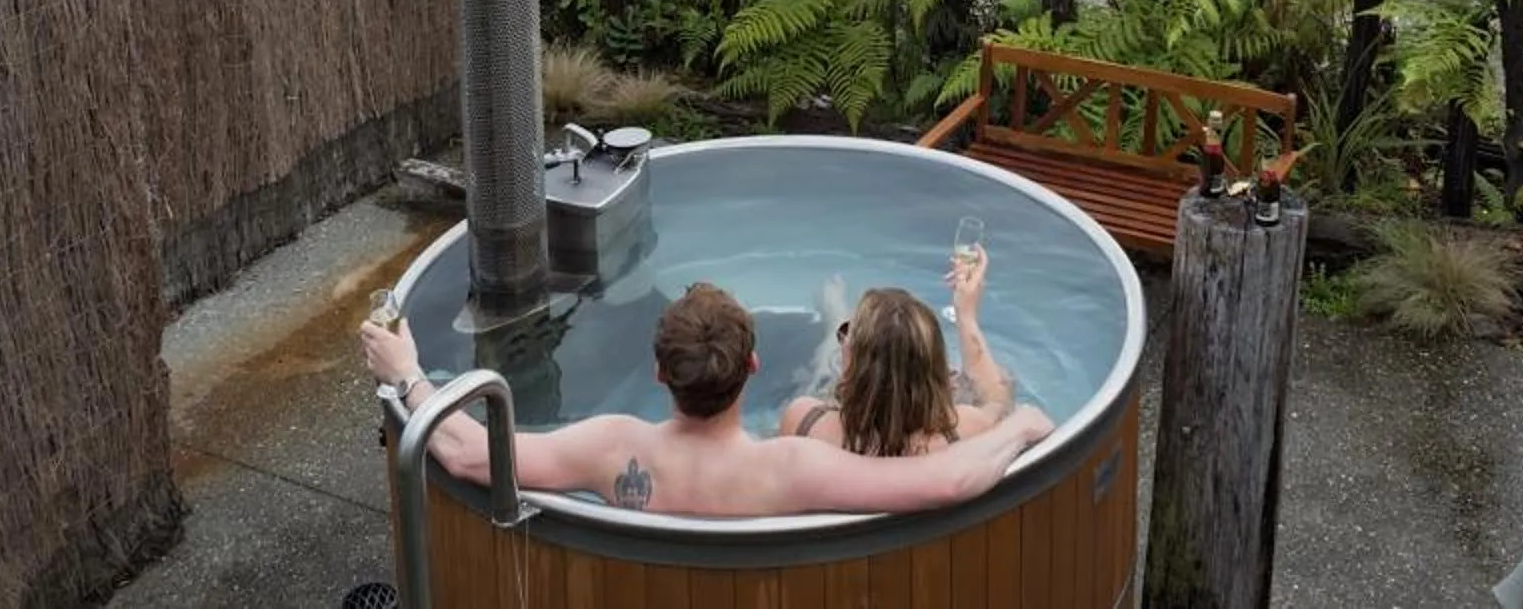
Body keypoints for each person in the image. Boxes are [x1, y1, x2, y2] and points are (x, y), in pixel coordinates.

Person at [358, 281, 1049, 517]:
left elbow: (467, 454)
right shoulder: (791, 466)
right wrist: (1020, 426)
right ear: (752, 367)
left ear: (660, 375)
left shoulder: (612, 447)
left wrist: (408, 373)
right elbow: (948, 479)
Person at [781, 249, 1016, 455]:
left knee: (822, 376)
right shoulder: (962, 431)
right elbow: (997, 399)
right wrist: (966, 314)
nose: (843, 342)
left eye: (846, 333)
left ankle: (834, 317)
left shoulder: (806, 422)